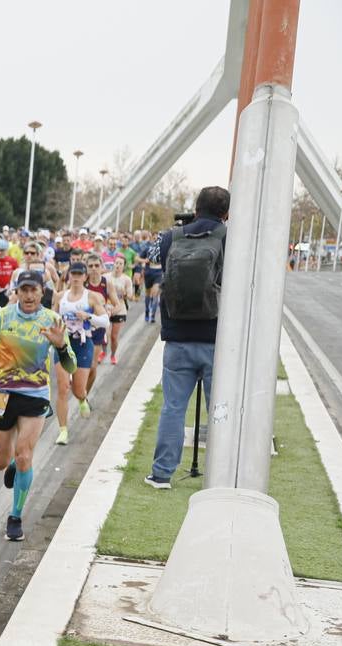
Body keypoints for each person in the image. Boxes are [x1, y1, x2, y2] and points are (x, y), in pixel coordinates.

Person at [0, 271, 75, 541]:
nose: (29, 295)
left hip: (35, 395)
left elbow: (71, 365)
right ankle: (14, 468)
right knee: (0, 461)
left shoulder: (51, 320)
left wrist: (62, 347)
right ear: (16, 291)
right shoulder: (2, 317)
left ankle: (15, 517)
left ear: (42, 292)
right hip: (1, 394)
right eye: (24, 290)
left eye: (34, 290)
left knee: (25, 456)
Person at [146, 186, 229, 489]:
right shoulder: (229, 237)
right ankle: (219, 478)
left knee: (173, 408)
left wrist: (177, 230)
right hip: (216, 339)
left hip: (177, 338)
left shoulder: (172, 237)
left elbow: (152, 256)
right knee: (218, 409)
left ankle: (162, 474)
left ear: (195, 209)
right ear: (226, 213)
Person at [53, 263, 107, 445]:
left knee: (77, 389)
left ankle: (82, 399)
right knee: (62, 388)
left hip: (83, 344)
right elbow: (51, 318)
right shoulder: (60, 297)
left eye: (79, 274)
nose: (75, 278)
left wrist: (89, 317)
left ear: (85, 277)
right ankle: (63, 431)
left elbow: (105, 321)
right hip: (63, 344)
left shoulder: (91, 297)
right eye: (73, 274)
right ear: (68, 276)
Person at [105, 255, 133, 365]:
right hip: (106, 308)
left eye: (120, 264)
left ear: (124, 266)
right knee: (105, 335)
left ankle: (112, 355)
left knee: (113, 336)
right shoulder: (106, 277)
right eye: (116, 263)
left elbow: (131, 296)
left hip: (120, 308)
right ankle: (103, 352)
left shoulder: (126, 279)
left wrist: (124, 293)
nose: (118, 265)